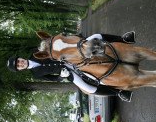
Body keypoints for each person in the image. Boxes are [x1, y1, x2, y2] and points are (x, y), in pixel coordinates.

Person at [7, 32, 136, 102]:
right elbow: (52, 79)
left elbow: (55, 44)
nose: (21, 63)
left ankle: (123, 39)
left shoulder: (36, 51)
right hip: (69, 72)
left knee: (95, 37)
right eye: (19, 66)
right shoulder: (35, 74)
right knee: (89, 88)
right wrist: (61, 76)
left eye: (19, 61)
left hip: (72, 56)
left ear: (20, 58)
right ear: (20, 69)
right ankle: (119, 92)